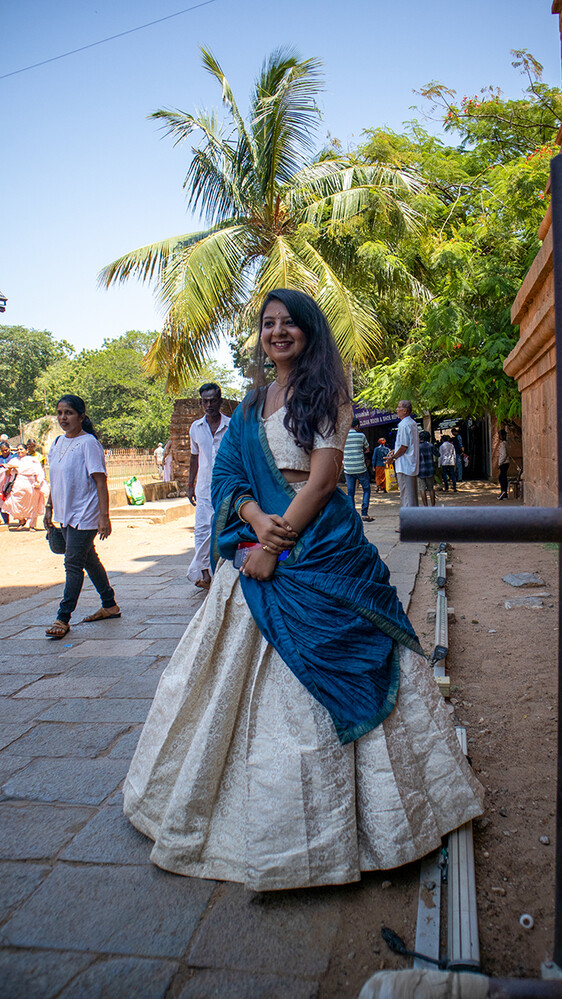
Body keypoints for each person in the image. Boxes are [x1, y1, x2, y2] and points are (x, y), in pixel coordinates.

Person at [123, 289, 483, 891]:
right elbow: (231, 472)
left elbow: (319, 482)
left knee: (354, 660)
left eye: (290, 323)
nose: (278, 332)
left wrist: (272, 545)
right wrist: (254, 521)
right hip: (262, 528)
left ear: (309, 332)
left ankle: (377, 823)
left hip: (318, 542)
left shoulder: (327, 395)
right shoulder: (249, 405)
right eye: (268, 324)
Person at [43, 395, 120, 639]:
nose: (63, 418)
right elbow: (55, 481)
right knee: (89, 560)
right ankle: (110, 604)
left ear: (81, 417)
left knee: (72, 564)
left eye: (69, 413)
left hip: (85, 515)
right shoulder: (57, 443)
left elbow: (100, 480)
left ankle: (62, 617)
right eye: (60, 413)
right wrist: (48, 508)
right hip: (65, 515)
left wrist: (104, 517)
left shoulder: (89, 444)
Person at [187, 383, 231, 590]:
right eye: (205, 401)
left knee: (223, 528)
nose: (209, 404)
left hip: (226, 486)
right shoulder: (196, 428)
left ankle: (223, 571)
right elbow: (194, 458)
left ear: (220, 401)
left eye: (213, 400)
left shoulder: (231, 427)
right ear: (201, 402)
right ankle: (205, 573)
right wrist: (189, 484)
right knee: (202, 530)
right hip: (203, 487)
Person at [0, 443, 49, 530]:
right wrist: (9, 469)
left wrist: (38, 482)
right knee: (13, 502)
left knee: (32, 504)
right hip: (18, 484)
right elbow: (8, 474)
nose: (19, 451)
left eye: (21, 449)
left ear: (26, 450)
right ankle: (21, 520)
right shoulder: (14, 460)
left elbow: (39, 472)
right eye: (18, 449)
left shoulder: (33, 460)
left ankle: (32, 525)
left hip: (31, 485)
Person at [386, 400, 420, 508]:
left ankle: (410, 519)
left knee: (406, 496)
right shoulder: (412, 423)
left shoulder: (404, 425)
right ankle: (414, 518)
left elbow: (404, 447)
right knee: (411, 495)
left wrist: (393, 457)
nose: (397, 409)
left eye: (399, 407)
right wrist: (394, 451)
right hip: (411, 464)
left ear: (405, 411)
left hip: (404, 465)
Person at [343, 417, 374, 522]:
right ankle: (364, 513)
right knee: (366, 489)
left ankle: (352, 515)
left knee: (350, 492)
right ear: (357, 426)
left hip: (348, 469)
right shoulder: (361, 436)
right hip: (361, 468)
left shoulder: (344, 437)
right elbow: (367, 449)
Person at [418, 430, 437, 507]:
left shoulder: (417, 447)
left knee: (422, 489)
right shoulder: (431, 445)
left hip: (420, 470)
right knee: (431, 488)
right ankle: (433, 505)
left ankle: (425, 506)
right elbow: (437, 454)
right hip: (430, 470)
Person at [0, 441, 13, 525]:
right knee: (1, 501)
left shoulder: (14, 457)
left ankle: (21, 520)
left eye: (6, 450)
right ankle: (6, 521)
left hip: (12, 482)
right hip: (1, 483)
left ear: (9, 449)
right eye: (2, 451)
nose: (4, 452)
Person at [498, 428, 510, 500]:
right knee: (502, 477)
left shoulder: (503, 444)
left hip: (504, 463)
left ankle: (504, 492)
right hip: (506, 462)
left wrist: (500, 463)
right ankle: (504, 492)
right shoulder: (506, 443)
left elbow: (504, 454)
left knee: (502, 478)